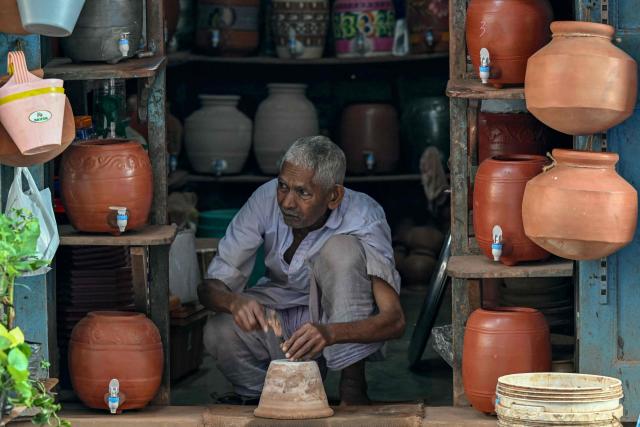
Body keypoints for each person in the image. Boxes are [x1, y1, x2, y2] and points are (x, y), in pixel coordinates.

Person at [198, 135, 405, 405]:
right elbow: (208, 287)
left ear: (334, 196)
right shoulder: (264, 198)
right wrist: (234, 301)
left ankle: (353, 388)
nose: (287, 202)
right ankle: (269, 399)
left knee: (342, 249)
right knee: (218, 330)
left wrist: (330, 333)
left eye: (303, 192)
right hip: (279, 318)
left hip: (336, 327)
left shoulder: (364, 216)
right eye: (283, 186)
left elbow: (395, 320)